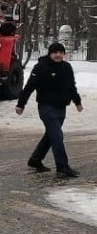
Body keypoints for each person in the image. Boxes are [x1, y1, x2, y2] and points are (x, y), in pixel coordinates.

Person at [15, 42, 82, 177]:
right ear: (50, 53)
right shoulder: (41, 67)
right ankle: (62, 166)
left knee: (51, 135)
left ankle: (35, 160)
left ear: (64, 54)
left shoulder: (67, 67)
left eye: (60, 52)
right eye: (55, 52)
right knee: (57, 135)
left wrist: (77, 102)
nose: (58, 55)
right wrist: (21, 104)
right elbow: (29, 87)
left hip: (61, 107)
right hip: (46, 107)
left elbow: (71, 86)